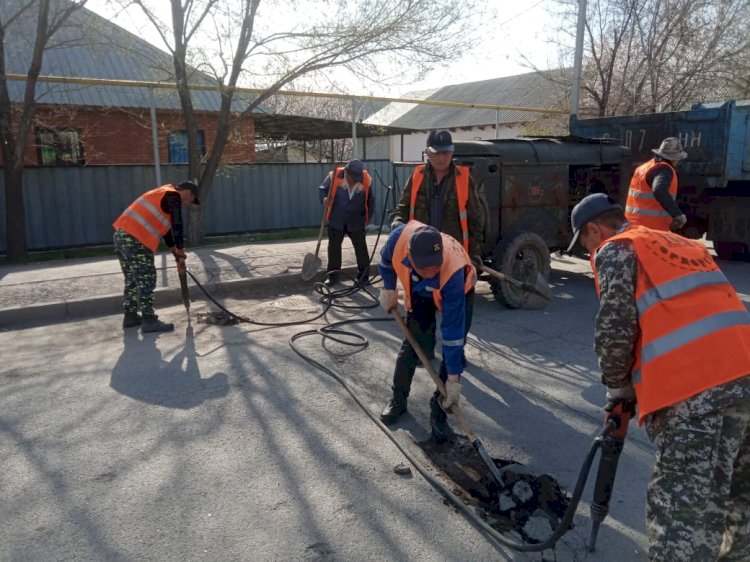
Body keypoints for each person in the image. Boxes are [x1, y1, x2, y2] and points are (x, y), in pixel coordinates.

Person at [568, 193, 750, 561]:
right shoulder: (682, 243)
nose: (586, 251)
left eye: (584, 243)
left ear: (593, 230)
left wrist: (618, 392)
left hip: (692, 391)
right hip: (744, 376)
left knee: (680, 513)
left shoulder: (616, 249)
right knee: (736, 497)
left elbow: (615, 330)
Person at [378, 220, 477, 443]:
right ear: (410, 257)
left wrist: (453, 381)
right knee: (413, 344)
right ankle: (398, 401)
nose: (432, 271)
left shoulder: (451, 272)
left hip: (460, 292)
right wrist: (389, 289)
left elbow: (451, 337)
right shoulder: (397, 240)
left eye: (435, 266)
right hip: (420, 294)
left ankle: (439, 414)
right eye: (426, 268)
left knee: (454, 352)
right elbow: (385, 263)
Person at [113, 181, 200, 333]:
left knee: (133, 279)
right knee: (146, 279)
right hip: (136, 239)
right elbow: (177, 226)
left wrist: (174, 250)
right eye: (192, 200)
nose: (188, 204)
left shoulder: (161, 194)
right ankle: (148, 320)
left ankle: (130, 316)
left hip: (122, 236)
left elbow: (165, 231)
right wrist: (180, 252)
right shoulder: (173, 197)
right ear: (188, 192)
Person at [390, 130, 485, 266]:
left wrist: (475, 254)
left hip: (454, 255)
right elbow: (402, 209)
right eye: (436, 153)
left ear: (452, 152)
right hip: (421, 253)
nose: (441, 158)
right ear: (427, 152)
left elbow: (475, 222)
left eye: (445, 153)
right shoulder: (417, 177)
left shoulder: (464, 179)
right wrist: (397, 222)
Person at [318, 159, 374, 286]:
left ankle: (363, 278)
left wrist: (368, 217)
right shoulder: (334, 176)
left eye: (357, 177)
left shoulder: (366, 178)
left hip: (356, 220)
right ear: (347, 173)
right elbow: (322, 189)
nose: (355, 179)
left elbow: (371, 200)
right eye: (353, 177)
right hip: (336, 219)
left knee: (361, 250)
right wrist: (324, 199)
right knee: (334, 249)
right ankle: (333, 277)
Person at [625, 137, 688, 232]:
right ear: (675, 158)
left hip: (632, 225)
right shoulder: (664, 169)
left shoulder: (643, 167)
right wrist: (677, 214)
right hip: (651, 229)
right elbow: (660, 190)